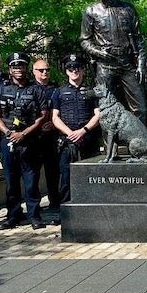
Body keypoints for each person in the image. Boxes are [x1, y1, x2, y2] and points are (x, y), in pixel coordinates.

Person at [0, 52, 50, 230]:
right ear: (10, 69)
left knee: (31, 181)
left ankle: (34, 215)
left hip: (30, 141)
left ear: (26, 69)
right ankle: (13, 216)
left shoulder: (36, 90)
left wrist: (23, 133)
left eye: (22, 66)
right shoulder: (1, 89)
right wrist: (8, 132)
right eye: (15, 67)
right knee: (11, 180)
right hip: (7, 140)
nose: (18, 70)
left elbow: (42, 116)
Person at [79, 0, 147, 123]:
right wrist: (99, 53)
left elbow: (139, 39)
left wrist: (141, 64)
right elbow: (84, 41)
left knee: (140, 108)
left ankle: (141, 143)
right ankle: (110, 146)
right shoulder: (90, 11)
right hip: (105, 65)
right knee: (105, 108)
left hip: (127, 62)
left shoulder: (128, 9)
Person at [51, 54, 101, 205]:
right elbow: (54, 117)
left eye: (77, 68)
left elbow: (99, 115)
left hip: (88, 138)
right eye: (71, 68)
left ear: (83, 70)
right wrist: (71, 133)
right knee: (66, 177)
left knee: (91, 176)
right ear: (66, 71)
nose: (74, 71)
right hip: (67, 140)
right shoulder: (58, 92)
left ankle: (92, 208)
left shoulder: (92, 91)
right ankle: (65, 212)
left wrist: (83, 131)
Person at [32, 58, 61, 213]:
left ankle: (55, 203)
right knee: (33, 174)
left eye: (47, 70)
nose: (45, 73)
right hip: (35, 137)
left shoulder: (55, 89)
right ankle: (35, 207)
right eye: (41, 70)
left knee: (53, 172)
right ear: (34, 72)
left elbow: (59, 109)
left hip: (51, 136)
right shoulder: (29, 89)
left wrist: (52, 123)